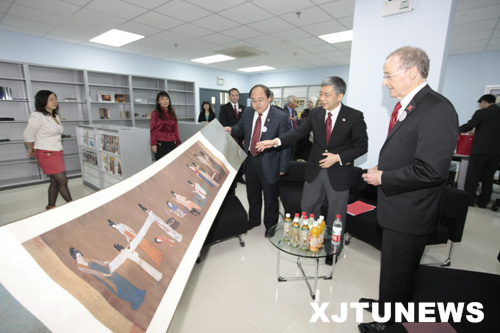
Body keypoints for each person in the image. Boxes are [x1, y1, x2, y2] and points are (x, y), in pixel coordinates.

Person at [358, 46, 458, 333]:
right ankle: (387, 303)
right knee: (394, 268)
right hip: (398, 205)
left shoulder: (437, 109)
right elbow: (407, 152)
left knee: (399, 271)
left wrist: (384, 177)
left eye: (389, 75)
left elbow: (431, 169)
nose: (384, 82)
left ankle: (387, 323)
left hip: (411, 210)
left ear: (411, 73)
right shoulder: (410, 105)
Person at [257, 76, 368, 256]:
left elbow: (362, 146)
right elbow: (298, 133)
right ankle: (311, 243)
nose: (322, 98)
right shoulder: (315, 113)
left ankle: (332, 250)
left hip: (339, 173)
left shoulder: (354, 116)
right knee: (308, 208)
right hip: (315, 171)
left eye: (327, 95)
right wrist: (276, 141)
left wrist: (337, 157)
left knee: (335, 215)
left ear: (340, 96)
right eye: (320, 94)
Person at [224, 84, 291, 237]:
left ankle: (271, 225)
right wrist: (232, 129)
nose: (257, 104)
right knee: (252, 193)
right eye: (253, 100)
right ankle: (254, 220)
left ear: (269, 98)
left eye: (261, 99)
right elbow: (241, 128)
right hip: (251, 161)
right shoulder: (248, 112)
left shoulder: (280, 117)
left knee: (270, 197)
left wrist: (283, 167)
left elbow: (286, 143)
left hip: (271, 162)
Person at [23, 90, 73, 210]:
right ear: (42, 100)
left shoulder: (54, 116)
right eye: (50, 99)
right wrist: (31, 149)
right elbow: (27, 135)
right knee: (63, 181)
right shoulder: (37, 116)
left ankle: (51, 205)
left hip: (57, 152)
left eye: (55, 98)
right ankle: (74, 206)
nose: (54, 101)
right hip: (47, 154)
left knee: (55, 181)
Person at [69, 247, 146, 311]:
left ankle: (139, 293)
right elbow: (93, 272)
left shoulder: (85, 259)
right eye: (78, 256)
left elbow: (97, 262)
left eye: (79, 254)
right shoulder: (80, 266)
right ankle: (136, 300)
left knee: (122, 280)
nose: (80, 257)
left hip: (105, 271)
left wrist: (105, 262)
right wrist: (106, 275)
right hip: (103, 277)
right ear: (75, 257)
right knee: (118, 288)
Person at [459, 94, 500, 208]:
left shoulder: (483, 112)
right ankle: (483, 202)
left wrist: (454, 128)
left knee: (473, 175)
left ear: (484, 102)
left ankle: (469, 200)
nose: (481, 106)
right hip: (496, 152)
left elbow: (469, 126)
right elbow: (492, 130)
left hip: (480, 150)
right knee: (488, 177)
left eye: (480, 104)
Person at [219, 87, 246, 183]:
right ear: (229, 96)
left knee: (240, 158)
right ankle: (231, 178)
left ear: (239, 96)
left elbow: (246, 124)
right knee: (231, 157)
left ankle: (239, 176)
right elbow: (223, 123)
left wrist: (245, 137)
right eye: (232, 95)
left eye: (236, 95)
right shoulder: (224, 108)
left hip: (241, 138)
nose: (234, 97)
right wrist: (231, 135)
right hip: (230, 137)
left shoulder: (244, 108)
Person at [150, 91, 181, 161]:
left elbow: (176, 129)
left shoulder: (172, 112)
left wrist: (178, 142)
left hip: (172, 143)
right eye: (162, 99)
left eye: (167, 99)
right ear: (158, 102)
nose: (165, 101)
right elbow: (153, 130)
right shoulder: (155, 113)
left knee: (173, 164)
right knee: (161, 164)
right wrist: (153, 144)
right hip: (161, 143)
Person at [295, 96, 319, 160]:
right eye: (308, 101)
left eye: (310, 102)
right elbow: (301, 121)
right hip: (304, 135)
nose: (308, 103)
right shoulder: (305, 111)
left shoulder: (318, 113)